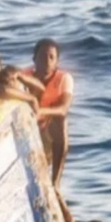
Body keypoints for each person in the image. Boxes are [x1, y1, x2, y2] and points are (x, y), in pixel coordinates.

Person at [21, 38, 74, 188]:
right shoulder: (24, 76)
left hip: (47, 133)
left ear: (57, 61)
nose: (47, 61)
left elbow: (63, 109)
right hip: (26, 128)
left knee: (61, 121)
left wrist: (39, 111)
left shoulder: (64, 78)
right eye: (43, 56)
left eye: (52, 57)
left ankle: (55, 182)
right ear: (34, 58)